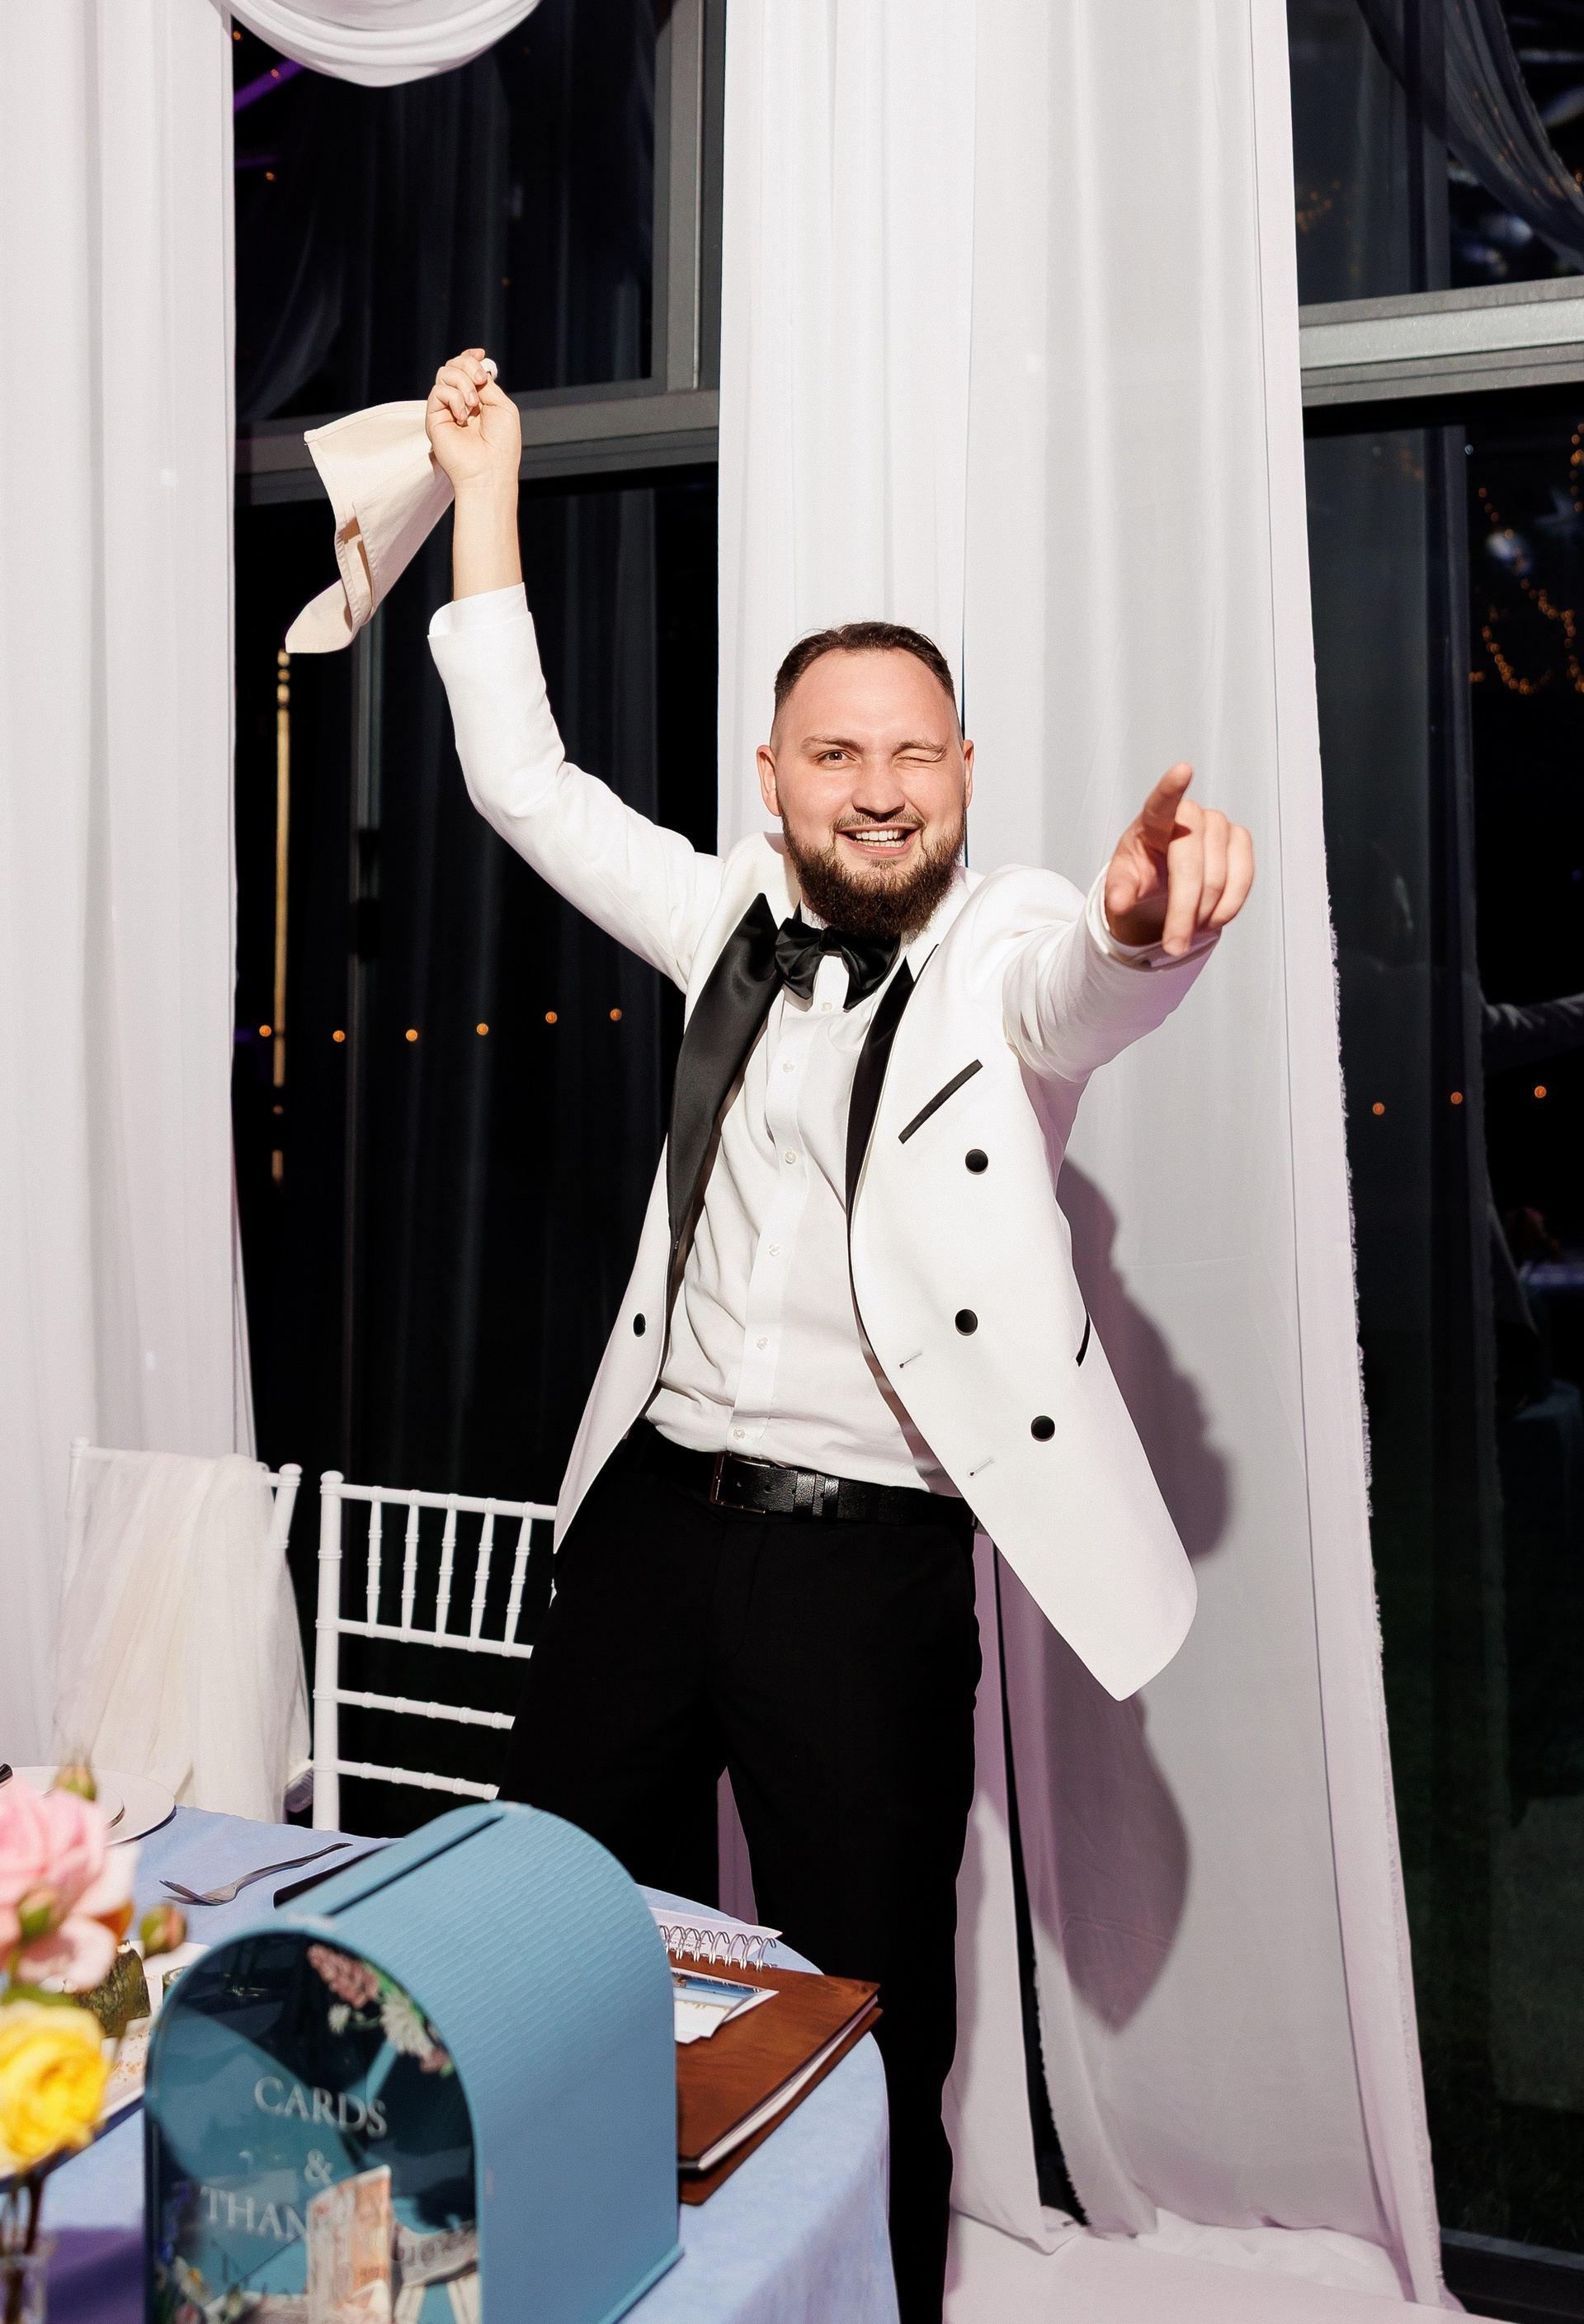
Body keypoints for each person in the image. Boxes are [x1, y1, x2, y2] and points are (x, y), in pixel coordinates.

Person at [422, 349, 1253, 2321]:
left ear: (965, 770)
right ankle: (585, 2273)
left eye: (913, 752)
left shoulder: (1003, 947)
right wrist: (485, 492)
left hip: (863, 1565)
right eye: (834, 753)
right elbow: (523, 782)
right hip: (651, 1521)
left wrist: (1150, 922)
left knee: (866, 2005)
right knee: (563, 1943)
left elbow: (1081, 983)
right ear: (773, 777)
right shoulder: (722, 916)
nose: (877, 785)